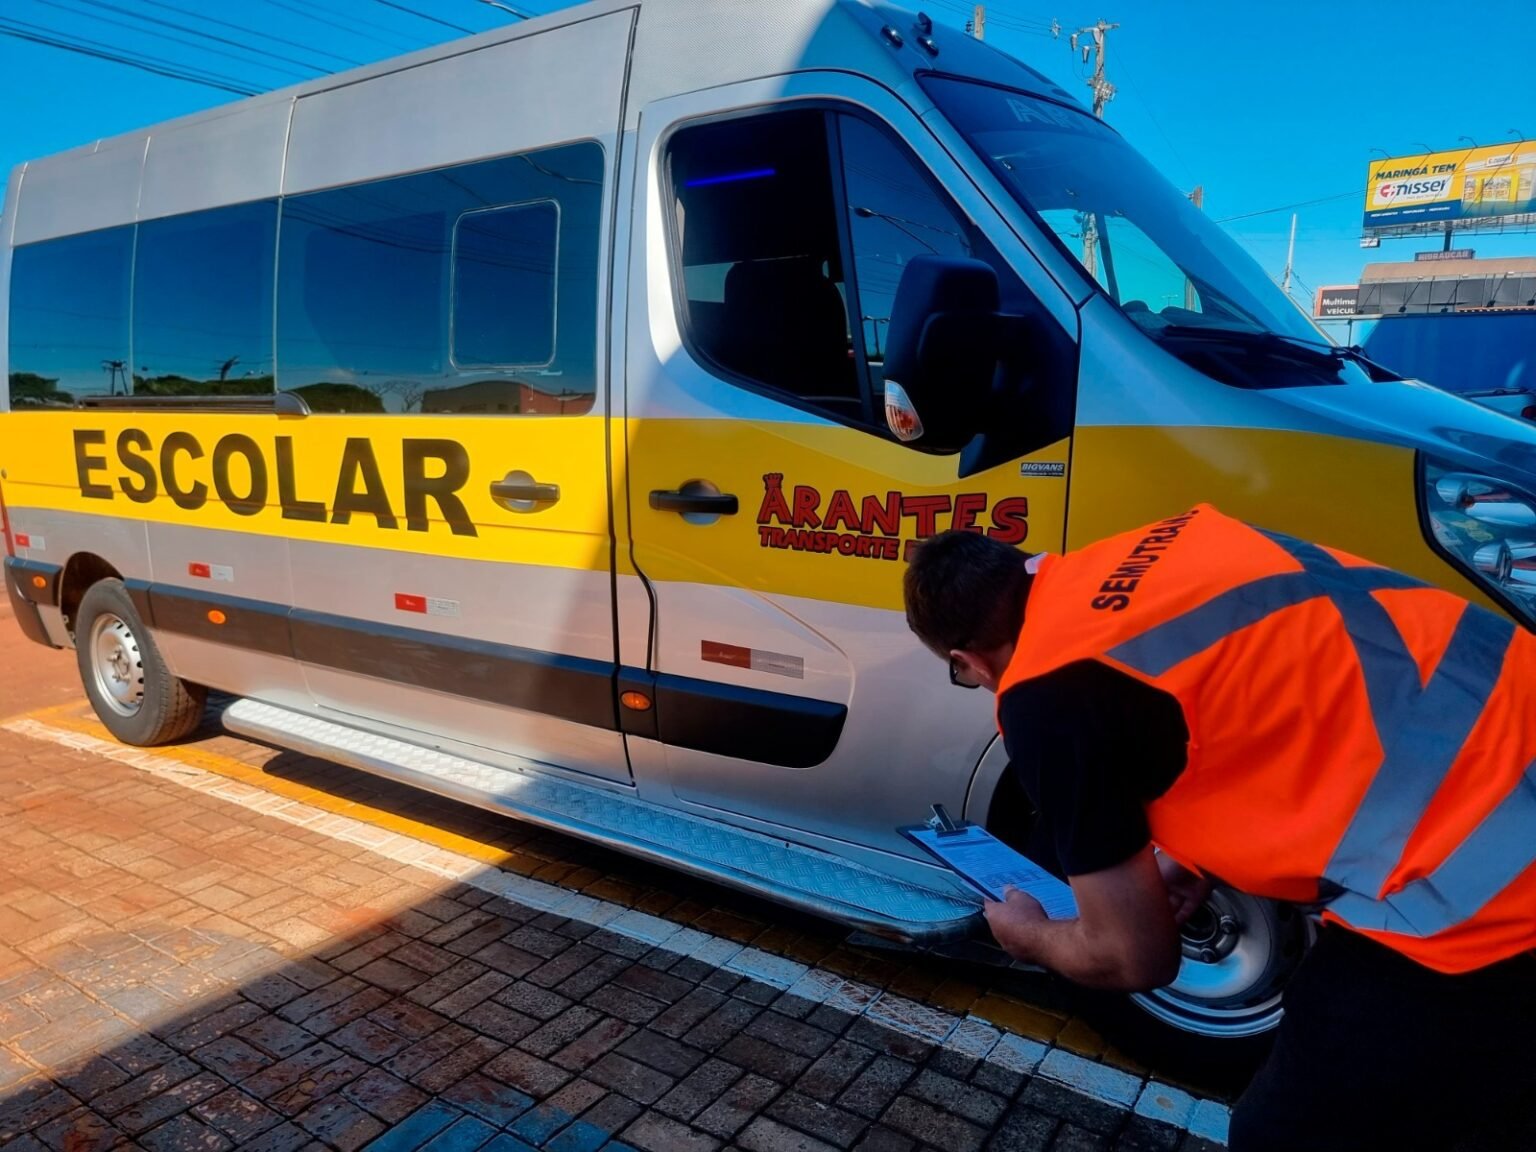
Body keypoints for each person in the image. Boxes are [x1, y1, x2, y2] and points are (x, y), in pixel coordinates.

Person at [903, 504, 1536, 1152]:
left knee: (1283, 1135)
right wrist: (1200, 860)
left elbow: (1136, 955)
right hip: (1513, 731)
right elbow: (1280, 699)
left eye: (965, 677)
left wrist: (1033, 938)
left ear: (970, 660)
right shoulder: (1166, 542)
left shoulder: (1044, 693)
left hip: (1489, 885)